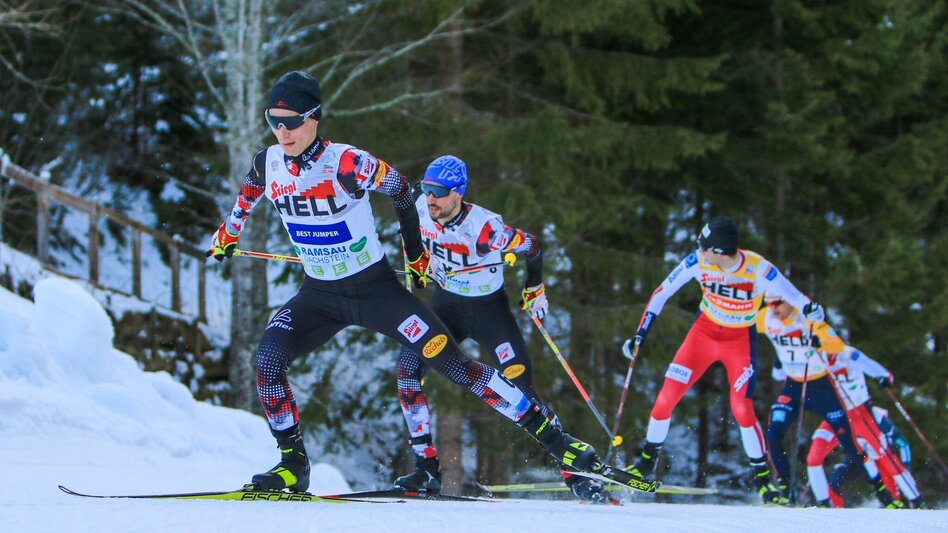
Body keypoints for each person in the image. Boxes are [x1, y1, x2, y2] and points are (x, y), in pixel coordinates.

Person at [207, 71, 600, 493]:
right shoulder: (267, 162)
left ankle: (563, 446)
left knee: (454, 365)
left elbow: (399, 189)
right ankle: (293, 464)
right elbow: (251, 189)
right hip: (318, 296)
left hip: (376, 293)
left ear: (315, 117)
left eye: (292, 121)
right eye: (274, 121)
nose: (282, 131)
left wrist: (414, 254)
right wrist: (229, 232)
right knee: (267, 361)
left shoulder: (347, 162)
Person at [392, 155, 604, 502]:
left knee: (521, 388)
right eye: (428, 190)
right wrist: (421, 265)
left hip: (489, 312)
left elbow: (532, 246)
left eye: (440, 193)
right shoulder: (418, 205)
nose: (431, 199)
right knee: (406, 370)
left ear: (459, 193)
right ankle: (426, 468)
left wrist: (534, 288)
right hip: (446, 307)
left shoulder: (487, 229)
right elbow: (405, 225)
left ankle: (575, 471)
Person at [621, 216, 824, 504]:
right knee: (665, 399)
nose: (699, 251)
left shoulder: (757, 267)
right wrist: (640, 334)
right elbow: (661, 293)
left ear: (719, 251)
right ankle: (645, 463)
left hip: (738, 341)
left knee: (742, 408)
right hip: (702, 335)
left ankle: (765, 483)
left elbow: (794, 295)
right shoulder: (697, 261)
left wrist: (811, 310)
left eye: (704, 247)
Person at [758, 298, 902, 508]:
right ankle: (786, 491)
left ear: (790, 302)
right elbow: (739, 318)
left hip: (821, 387)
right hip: (793, 386)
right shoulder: (765, 317)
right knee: (774, 433)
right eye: (768, 303)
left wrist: (820, 342)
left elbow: (837, 345)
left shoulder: (807, 321)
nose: (773, 308)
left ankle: (883, 495)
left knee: (852, 446)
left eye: (778, 302)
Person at [806, 346, 925, 508]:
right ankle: (824, 504)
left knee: (887, 459)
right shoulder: (813, 358)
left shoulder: (849, 355)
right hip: (835, 416)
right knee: (814, 457)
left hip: (860, 415)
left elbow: (881, 372)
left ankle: (916, 501)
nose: (826, 351)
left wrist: (883, 377)